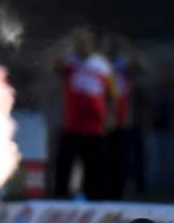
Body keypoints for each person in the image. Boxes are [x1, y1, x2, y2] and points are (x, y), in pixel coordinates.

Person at [52, 26, 115, 200]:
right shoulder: (70, 62)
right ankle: (60, 196)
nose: (82, 46)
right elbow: (54, 67)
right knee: (65, 162)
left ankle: (96, 197)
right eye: (79, 43)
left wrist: (111, 115)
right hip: (73, 123)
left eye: (85, 43)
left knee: (95, 165)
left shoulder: (101, 65)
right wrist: (63, 48)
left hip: (94, 124)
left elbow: (111, 93)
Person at [102, 33, 146, 199]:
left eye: (114, 47)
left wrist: (128, 48)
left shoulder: (124, 65)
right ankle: (103, 192)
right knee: (104, 159)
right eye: (109, 47)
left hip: (123, 121)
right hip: (104, 121)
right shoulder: (101, 65)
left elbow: (142, 67)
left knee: (121, 161)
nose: (112, 50)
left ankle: (119, 193)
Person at [147, 62, 174, 195]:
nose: (165, 76)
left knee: (173, 160)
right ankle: (154, 190)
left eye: (167, 72)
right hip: (155, 129)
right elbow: (146, 108)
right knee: (154, 161)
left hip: (172, 129)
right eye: (162, 72)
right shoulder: (153, 89)